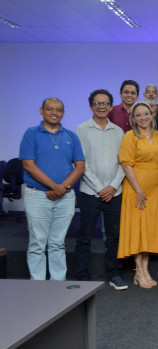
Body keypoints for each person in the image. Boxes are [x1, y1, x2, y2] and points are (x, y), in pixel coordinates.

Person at [19, 98, 85, 280]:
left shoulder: (71, 136)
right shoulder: (31, 134)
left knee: (57, 243)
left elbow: (80, 166)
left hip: (65, 197)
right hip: (38, 196)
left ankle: (58, 284)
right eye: (50, 109)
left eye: (58, 110)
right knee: (37, 243)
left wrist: (61, 189)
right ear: (41, 111)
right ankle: (37, 285)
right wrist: (55, 187)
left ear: (63, 113)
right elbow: (28, 165)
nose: (54, 112)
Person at [75, 89, 127, 289]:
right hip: (90, 192)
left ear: (110, 106)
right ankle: (82, 277)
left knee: (114, 236)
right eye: (97, 103)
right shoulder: (81, 129)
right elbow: (81, 162)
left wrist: (113, 186)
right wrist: (100, 188)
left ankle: (114, 274)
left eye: (106, 103)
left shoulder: (118, 131)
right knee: (85, 235)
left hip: (115, 192)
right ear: (91, 106)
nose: (102, 106)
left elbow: (124, 162)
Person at [118, 102, 158, 289]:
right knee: (137, 229)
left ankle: (145, 270)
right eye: (138, 115)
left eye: (146, 113)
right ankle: (138, 271)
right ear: (133, 118)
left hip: (155, 189)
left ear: (151, 115)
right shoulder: (130, 136)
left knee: (149, 229)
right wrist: (138, 190)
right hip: (136, 189)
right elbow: (126, 164)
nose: (143, 117)